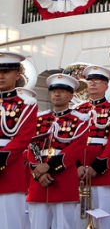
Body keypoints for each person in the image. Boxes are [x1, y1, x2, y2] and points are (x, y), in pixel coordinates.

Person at [27, 74, 90, 229]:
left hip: (63, 180)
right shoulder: (39, 119)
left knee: (64, 225)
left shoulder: (81, 120)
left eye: (62, 91)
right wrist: (38, 172)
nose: (57, 94)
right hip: (38, 182)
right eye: (54, 91)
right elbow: (30, 147)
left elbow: (75, 149)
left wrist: (48, 167)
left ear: (70, 95)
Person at [72, 65, 110, 229]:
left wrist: (97, 166)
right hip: (79, 172)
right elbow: (70, 141)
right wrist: (77, 166)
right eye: (90, 81)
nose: (92, 85)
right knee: (78, 218)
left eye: (97, 81)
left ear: (106, 86)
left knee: (103, 219)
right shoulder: (77, 110)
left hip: (103, 171)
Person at [0, 52, 38, 229]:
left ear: (17, 75)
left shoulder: (27, 103)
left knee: (10, 223)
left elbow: (24, 137)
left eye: (6, 72)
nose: (1, 76)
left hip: (9, 169)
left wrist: (2, 157)